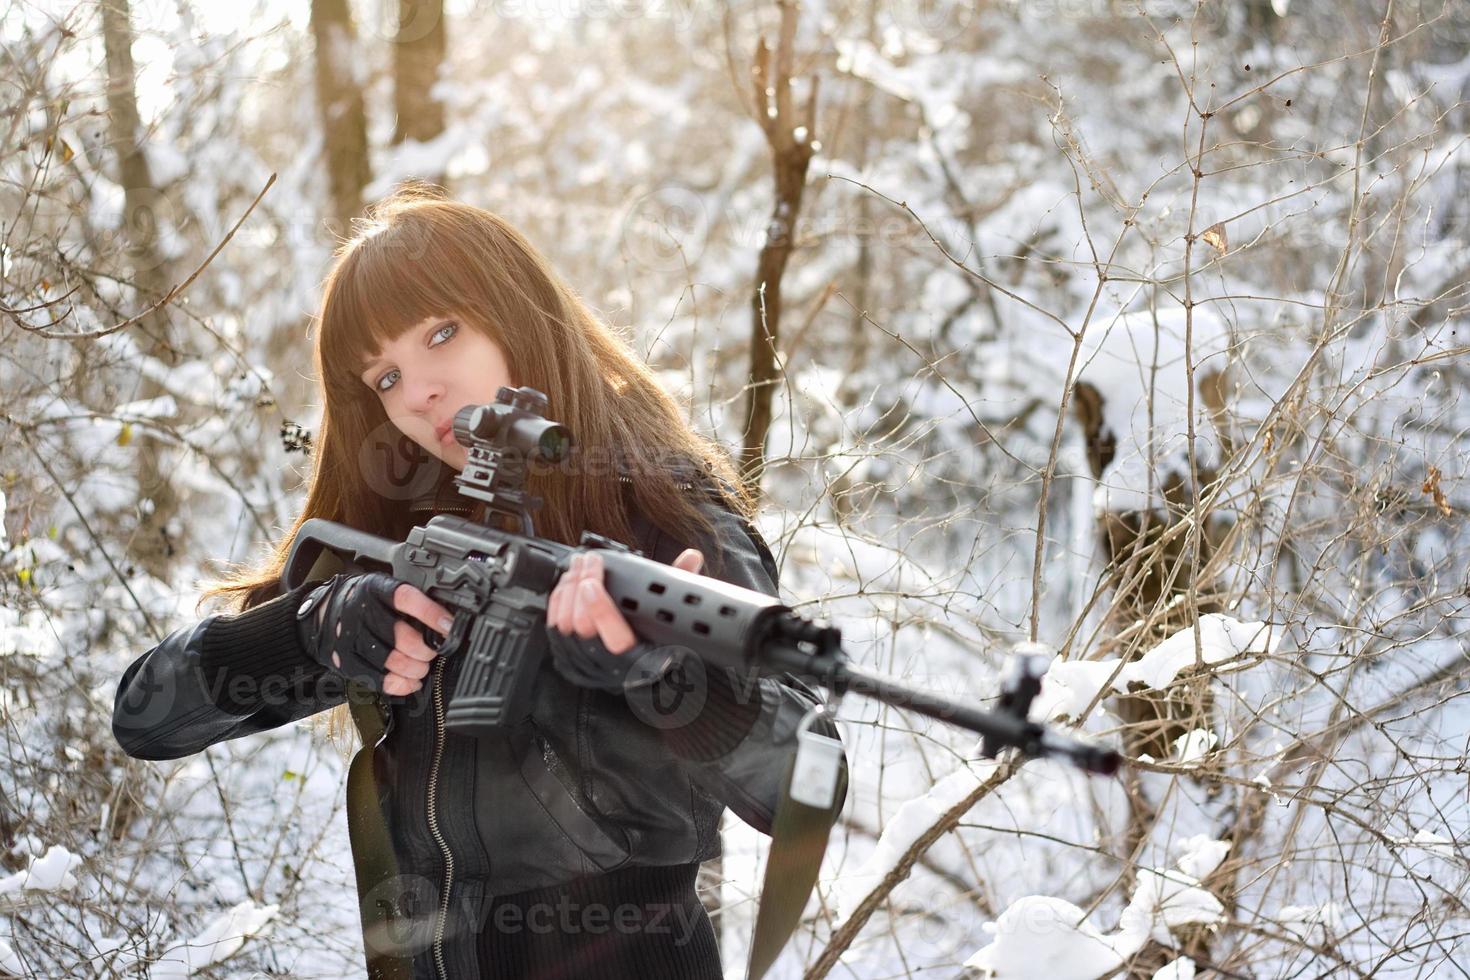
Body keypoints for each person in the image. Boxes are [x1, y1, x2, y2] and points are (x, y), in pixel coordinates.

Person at [111, 184, 847, 980]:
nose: (418, 390)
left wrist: (670, 681)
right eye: (384, 378)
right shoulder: (403, 531)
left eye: (441, 333)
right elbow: (147, 719)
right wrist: (313, 629)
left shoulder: (664, 514)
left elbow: (808, 785)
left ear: (517, 315)